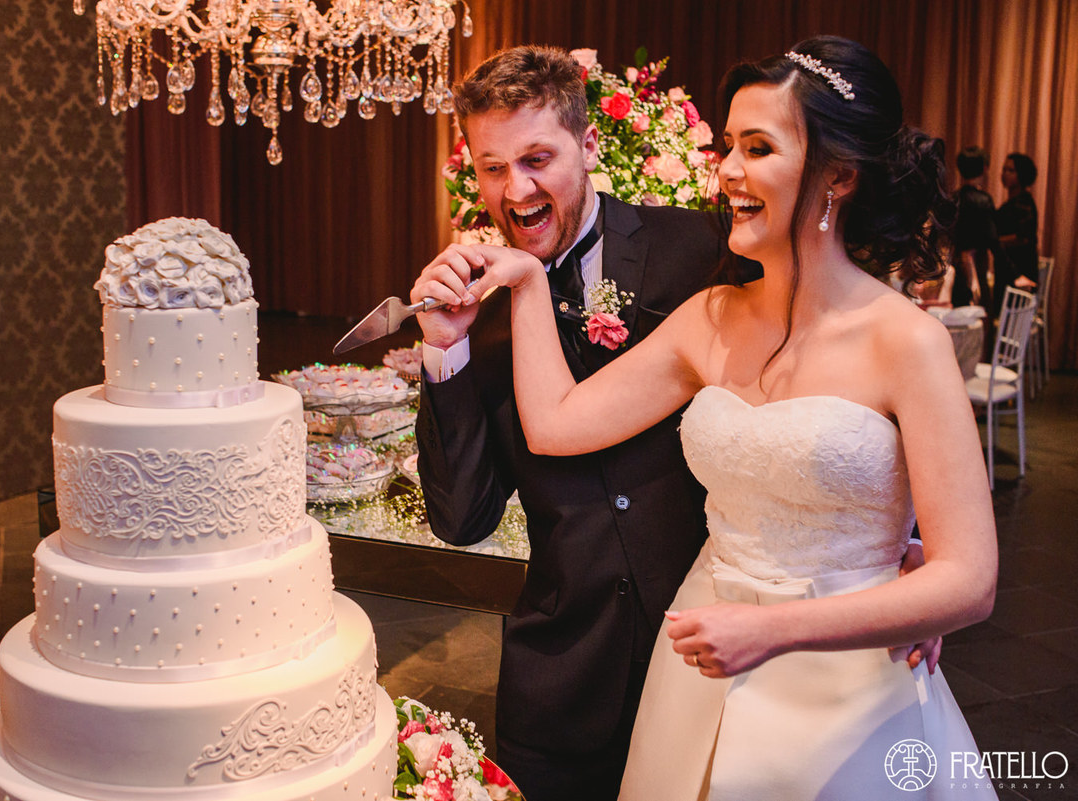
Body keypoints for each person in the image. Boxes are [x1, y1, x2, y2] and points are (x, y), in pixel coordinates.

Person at [446, 36, 997, 799]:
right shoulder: (711, 314)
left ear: (838, 173)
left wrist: (785, 620)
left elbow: (970, 580)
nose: (729, 171)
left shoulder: (909, 341)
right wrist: (529, 283)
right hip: (699, 662)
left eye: (759, 147)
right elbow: (556, 423)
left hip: (843, 687)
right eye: (728, 146)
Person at [410, 45, 746, 800]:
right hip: (558, 685)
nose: (514, 189)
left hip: (705, 659)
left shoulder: (696, 251)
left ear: (589, 145)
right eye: (492, 167)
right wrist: (445, 354)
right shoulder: (479, 312)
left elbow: (801, 386)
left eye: (536, 159)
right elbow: (462, 521)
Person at [951, 146, 997, 312]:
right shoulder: (983, 200)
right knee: (980, 310)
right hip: (977, 262)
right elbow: (993, 240)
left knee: (959, 309)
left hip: (954, 262)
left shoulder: (953, 199)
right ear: (984, 168)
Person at [993, 152, 1039, 308]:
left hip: (1020, 269)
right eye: (1004, 169)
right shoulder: (1011, 203)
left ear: (1021, 175)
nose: (1004, 174)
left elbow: (1023, 237)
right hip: (1009, 269)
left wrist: (995, 242)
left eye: (1010, 171)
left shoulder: (1023, 204)